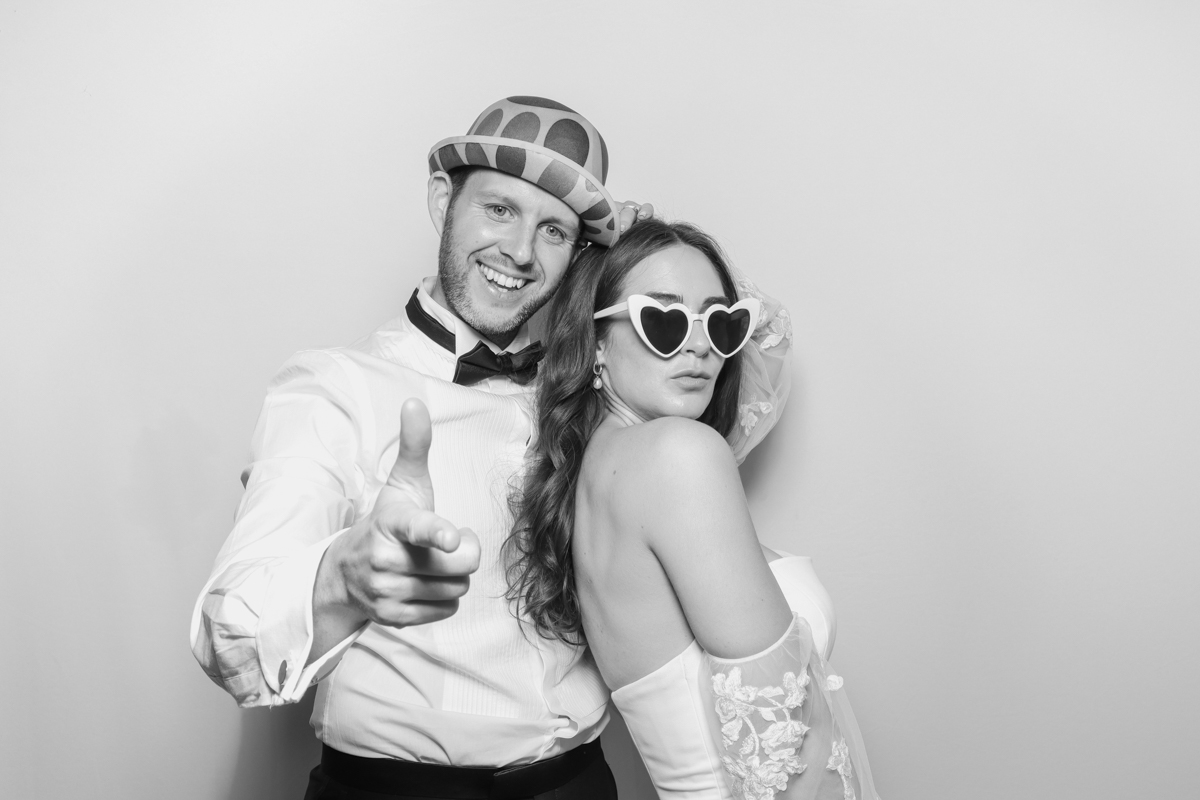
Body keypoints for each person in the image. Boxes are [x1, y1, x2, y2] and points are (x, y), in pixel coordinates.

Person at [190, 96, 656, 799]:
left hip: (581, 784)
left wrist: (638, 267)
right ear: (444, 199)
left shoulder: (597, 397)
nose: (522, 253)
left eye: (554, 230)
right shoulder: (334, 387)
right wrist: (340, 583)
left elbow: (738, 387)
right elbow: (229, 630)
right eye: (499, 209)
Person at [505, 219, 880, 799]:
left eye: (723, 322)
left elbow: (768, 338)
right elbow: (777, 740)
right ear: (597, 342)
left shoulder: (597, 471)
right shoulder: (681, 457)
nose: (700, 345)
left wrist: (610, 254)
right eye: (663, 319)